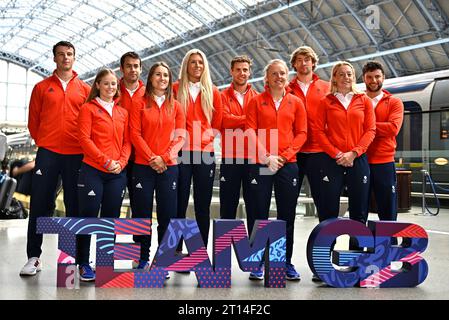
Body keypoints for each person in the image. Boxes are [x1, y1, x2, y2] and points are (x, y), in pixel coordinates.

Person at [20, 41, 90, 277]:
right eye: (61, 54)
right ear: (54, 58)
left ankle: (80, 261)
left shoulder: (85, 89)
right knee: (40, 203)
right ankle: (33, 257)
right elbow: (34, 121)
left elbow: (90, 122)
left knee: (75, 206)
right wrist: (47, 142)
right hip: (48, 153)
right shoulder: (41, 87)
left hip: (76, 155)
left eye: (69, 54)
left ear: (74, 57)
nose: (65, 58)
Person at [245, 59, 307, 281]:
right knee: (258, 213)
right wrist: (266, 157)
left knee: (286, 215)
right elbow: (250, 131)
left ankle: (283, 262)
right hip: (261, 164)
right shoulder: (255, 102)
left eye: (282, 73)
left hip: (287, 165)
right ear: (266, 78)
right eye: (274, 74)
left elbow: (302, 133)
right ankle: (257, 262)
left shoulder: (296, 102)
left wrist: (284, 156)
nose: (279, 77)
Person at [130, 62, 185, 278]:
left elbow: (181, 136)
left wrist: (165, 157)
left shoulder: (176, 106)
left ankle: (163, 260)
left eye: (166, 75)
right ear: (150, 78)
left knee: (167, 216)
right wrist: (152, 157)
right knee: (142, 215)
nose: (162, 78)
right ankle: (143, 257)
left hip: (169, 167)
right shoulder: (139, 103)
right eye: (158, 74)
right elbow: (135, 134)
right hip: (143, 167)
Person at [76, 69, 131, 281]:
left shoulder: (122, 112)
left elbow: (127, 141)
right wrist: (105, 161)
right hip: (93, 171)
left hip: (117, 173)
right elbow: (84, 139)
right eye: (106, 84)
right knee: (89, 216)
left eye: (113, 84)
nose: (110, 88)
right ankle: (83, 262)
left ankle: (104, 263)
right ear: (98, 85)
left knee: (110, 218)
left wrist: (121, 163)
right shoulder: (88, 109)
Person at [314, 61, 376, 227]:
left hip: (358, 159)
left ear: (354, 77)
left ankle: (356, 251)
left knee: (360, 210)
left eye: (349, 74)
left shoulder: (364, 100)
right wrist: (337, 154)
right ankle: (326, 250)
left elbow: (370, 130)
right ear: (334, 78)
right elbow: (318, 132)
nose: (345, 77)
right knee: (328, 210)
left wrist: (354, 153)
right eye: (341, 74)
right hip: (332, 160)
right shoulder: (325, 102)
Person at [174, 49, 223, 252]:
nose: (197, 66)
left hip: (204, 154)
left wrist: (206, 139)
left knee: (202, 205)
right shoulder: (175, 89)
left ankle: (200, 251)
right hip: (180, 154)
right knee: (179, 203)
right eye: (193, 62)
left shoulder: (213, 91)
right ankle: (174, 250)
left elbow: (217, 123)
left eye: (200, 62)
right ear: (186, 65)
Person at [287, 46, 329, 219]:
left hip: (319, 152)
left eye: (307, 60)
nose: (304, 63)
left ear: (313, 63)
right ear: (294, 65)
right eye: (299, 60)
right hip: (293, 153)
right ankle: (284, 246)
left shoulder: (327, 87)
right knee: (288, 204)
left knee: (324, 204)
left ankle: (326, 245)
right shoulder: (286, 89)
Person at [219, 55, 258, 227]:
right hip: (231, 158)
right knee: (227, 207)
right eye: (238, 70)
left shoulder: (258, 97)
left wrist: (237, 119)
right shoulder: (221, 96)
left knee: (254, 208)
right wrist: (249, 119)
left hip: (253, 159)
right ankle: (223, 252)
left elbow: (261, 124)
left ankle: (253, 252)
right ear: (231, 72)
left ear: (250, 72)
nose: (241, 73)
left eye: (245, 70)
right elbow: (224, 121)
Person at [363, 61, 404, 221]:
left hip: (384, 162)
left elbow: (393, 128)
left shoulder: (394, 102)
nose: (373, 80)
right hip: (360, 160)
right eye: (369, 77)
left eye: (377, 76)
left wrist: (366, 127)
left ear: (383, 77)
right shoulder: (356, 101)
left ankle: (389, 244)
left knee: (387, 209)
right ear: (364, 78)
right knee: (359, 210)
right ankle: (357, 246)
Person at [119, 52, 146, 215]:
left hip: (140, 159)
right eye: (128, 66)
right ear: (122, 68)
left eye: (136, 66)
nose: (133, 69)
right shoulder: (112, 89)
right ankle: (110, 240)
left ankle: (138, 240)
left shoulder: (148, 93)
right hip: (117, 157)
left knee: (139, 206)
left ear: (141, 69)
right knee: (113, 205)